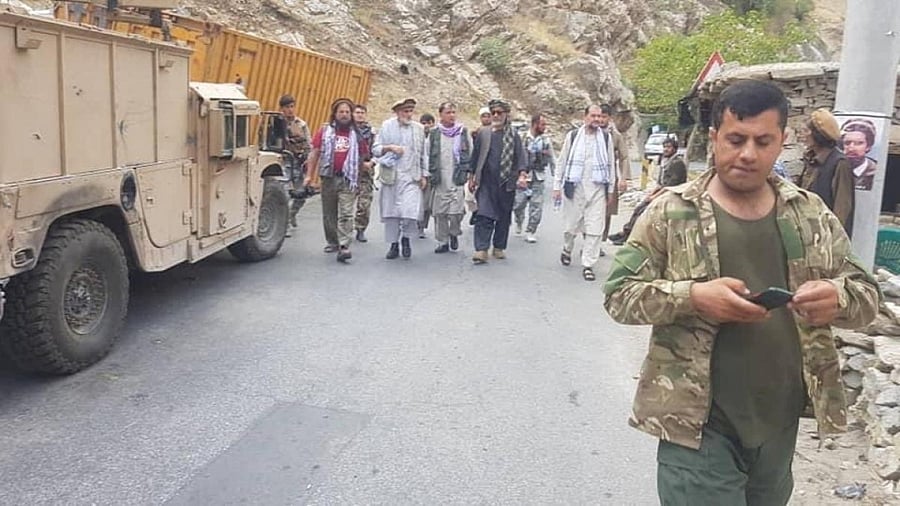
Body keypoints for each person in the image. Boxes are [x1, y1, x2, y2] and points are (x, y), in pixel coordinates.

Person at [604, 80, 880, 506]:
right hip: (698, 426)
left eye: (763, 141)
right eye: (736, 139)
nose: (748, 153)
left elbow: (866, 293)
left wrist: (836, 296)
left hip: (779, 425)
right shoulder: (671, 211)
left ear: (782, 142)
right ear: (714, 138)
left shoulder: (809, 213)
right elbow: (619, 293)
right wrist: (692, 296)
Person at [552, 104, 626, 282]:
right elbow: (562, 162)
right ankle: (567, 248)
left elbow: (610, 165)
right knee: (570, 227)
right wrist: (556, 186)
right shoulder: (573, 136)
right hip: (575, 187)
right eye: (593, 116)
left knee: (595, 228)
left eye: (599, 116)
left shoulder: (606, 139)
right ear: (585, 117)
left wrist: (610, 190)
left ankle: (588, 264)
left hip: (597, 189)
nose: (596, 119)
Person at [304, 98, 368, 263]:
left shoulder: (357, 135)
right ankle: (332, 242)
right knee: (329, 212)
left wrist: (359, 180)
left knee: (346, 213)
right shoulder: (325, 131)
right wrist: (309, 176)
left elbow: (362, 158)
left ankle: (344, 246)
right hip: (328, 177)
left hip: (348, 179)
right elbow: (315, 153)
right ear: (335, 114)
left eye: (347, 112)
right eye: (341, 112)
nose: (345, 115)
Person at [468, 99, 528, 264]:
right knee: (483, 215)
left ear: (506, 115)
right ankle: (481, 249)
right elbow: (475, 156)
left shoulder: (513, 136)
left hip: (506, 183)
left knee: (503, 217)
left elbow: (521, 157)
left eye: (499, 113)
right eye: (493, 112)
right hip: (486, 182)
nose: (495, 116)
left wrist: (522, 175)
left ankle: (499, 246)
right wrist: (472, 176)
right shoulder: (484, 133)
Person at [372, 98, 429, 260]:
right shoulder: (387, 126)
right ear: (397, 112)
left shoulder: (418, 129)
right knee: (392, 213)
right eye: (405, 111)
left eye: (411, 111)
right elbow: (375, 149)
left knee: (409, 211)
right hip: (392, 177)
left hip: (412, 177)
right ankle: (393, 244)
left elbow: (423, 154)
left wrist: (424, 174)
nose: (409, 114)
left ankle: (406, 239)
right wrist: (389, 148)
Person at [609, 137, 686, 245]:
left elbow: (670, 186)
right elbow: (660, 183)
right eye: (664, 147)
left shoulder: (677, 163)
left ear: (675, 149)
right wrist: (651, 194)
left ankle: (628, 235)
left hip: (672, 194)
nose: (665, 149)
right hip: (663, 193)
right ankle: (626, 232)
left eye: (668, 147)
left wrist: (654, 197)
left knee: (644, 211)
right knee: (639, 208)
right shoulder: (665, 161)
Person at [797, 108, 854, 236]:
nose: (802, 135)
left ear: (818, 135)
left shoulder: (839, 163)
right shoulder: (810, 159)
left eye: (806, 131)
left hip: (825, 236)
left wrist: (833, 239)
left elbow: (842, 207)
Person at [428, 102, 471, 253]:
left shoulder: (462, 132)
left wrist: (471, 174)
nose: (452, 115)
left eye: (454, 112)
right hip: (440, 180)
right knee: (440, 213)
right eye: (448, 112)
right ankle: (443, 241)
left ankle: (454, 233)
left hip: (457, 179)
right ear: (441, 115)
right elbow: (427, 155)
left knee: (456, 213)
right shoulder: (434, 133)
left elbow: (469, 154)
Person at [513, 113, 555, 243]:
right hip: (523, 176)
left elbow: (552, 159)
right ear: (535, 124)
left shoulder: (546, 141)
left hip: (539, 177)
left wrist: (557, 177)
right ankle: (519, 220)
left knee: (536, 206)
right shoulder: (522, 138)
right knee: (518, 204)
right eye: (542, 124)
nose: (544, 127)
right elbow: (514, 156)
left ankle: (531, 230)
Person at [278, 94, 312, 234]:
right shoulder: (277, 123)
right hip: (284, 163)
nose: (290, 110)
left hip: (299, 163)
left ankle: (291, 215)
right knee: (285, 195)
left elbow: (309, 144)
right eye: (287, 107)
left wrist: (308, 160)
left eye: (292, 106)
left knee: (301, 195)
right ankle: (284, 225)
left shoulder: (301, 124)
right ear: (282, 108)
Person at [352, 104, 376, 243]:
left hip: (366, 172)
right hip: (350, 172)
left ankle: (360, 229)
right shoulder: (347, 131)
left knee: (364, 204)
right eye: (357, 112)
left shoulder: (372, 133)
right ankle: (344, 229)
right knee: (346, 204)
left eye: (362, 112)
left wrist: (371, 163)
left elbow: (377, 151)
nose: (360, 115)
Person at [841, 118, 878, 191]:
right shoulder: (835, 168)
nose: (851, 148)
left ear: (868, 146)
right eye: (847, 143)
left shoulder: (877, 173)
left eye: (859, 143)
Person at [418, 113, 437, 238]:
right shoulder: (417, 136)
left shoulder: (436, 137)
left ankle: (422, 227)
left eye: (429, 123)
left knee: (427, 204)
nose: (426, 126)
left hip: (431, 173)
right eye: (424, 123)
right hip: (417, 173)